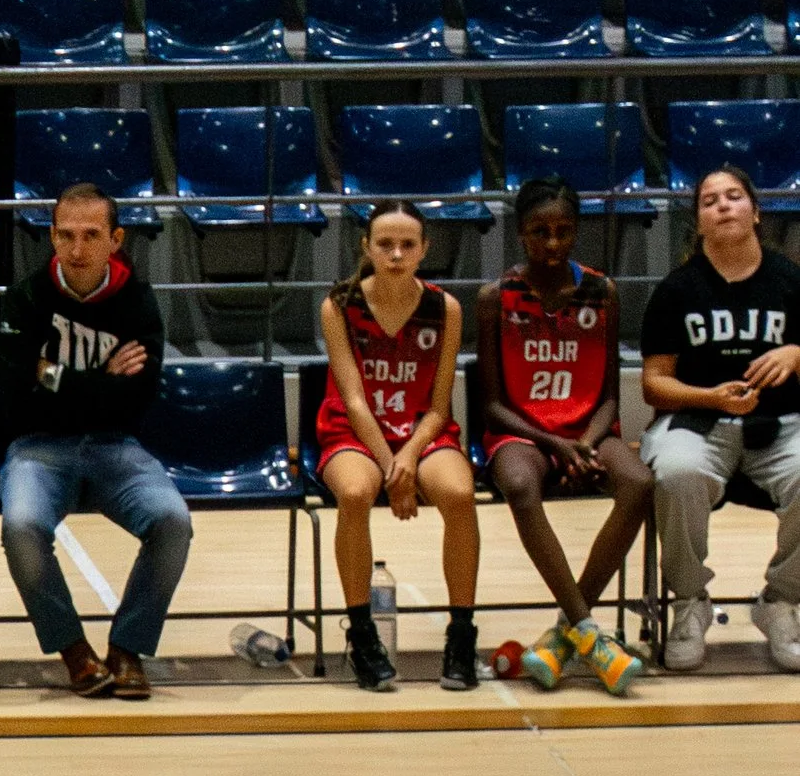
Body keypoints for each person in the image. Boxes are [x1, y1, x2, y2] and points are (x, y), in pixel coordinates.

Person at [0, 182, 191, 704]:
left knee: (173, 521)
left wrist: (53, 376)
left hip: (116, 445)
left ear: (116, 239)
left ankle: (128, 648)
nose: (76, 249)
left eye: (91, 235)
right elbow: (15, 396)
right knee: (21, 527)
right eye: (65, 235)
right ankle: (73, 651)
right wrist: (102, 380)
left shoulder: (138, 302)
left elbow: (136, 400)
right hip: (37, 446)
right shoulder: (27, 296)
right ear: (52, 237)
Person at [473, 179, 649, 693]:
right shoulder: (495, 298)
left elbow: (612, 396)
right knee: (521, 486)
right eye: (539, 232)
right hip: (524, 433)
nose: (552, 243)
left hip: (589, 429)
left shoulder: (602, 291)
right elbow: (492, 404)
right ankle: (591, 635)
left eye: (563, 231)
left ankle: (565, 633)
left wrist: (587, 443)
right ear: (521, 234)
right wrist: (555, 445)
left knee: (638, 482)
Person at [636, 164, 800, 675]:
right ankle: (689, 603)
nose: (724, 205)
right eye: (710, 201)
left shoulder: (790, 280)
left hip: (782, 423)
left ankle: (781, 603)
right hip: (698, 421)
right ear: (698, 222)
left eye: (734, 197)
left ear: (755, 211)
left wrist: (796, 351)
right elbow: (654, 382)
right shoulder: (677, 289)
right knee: (677, 473)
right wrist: (709, 396)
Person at [313, 202, 480, 693]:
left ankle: (462, 634)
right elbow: (356, 402)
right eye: (385, 243)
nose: (396, 253)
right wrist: (393, 470)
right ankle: (363, 634)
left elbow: (439, 405)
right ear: (366, 247)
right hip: (354, 432)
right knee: (354, 494)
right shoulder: (339, 304)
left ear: (424, 250)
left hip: (422, 433)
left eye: (408, 244)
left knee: (460, 495)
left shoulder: (445, 308)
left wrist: (409, 457)